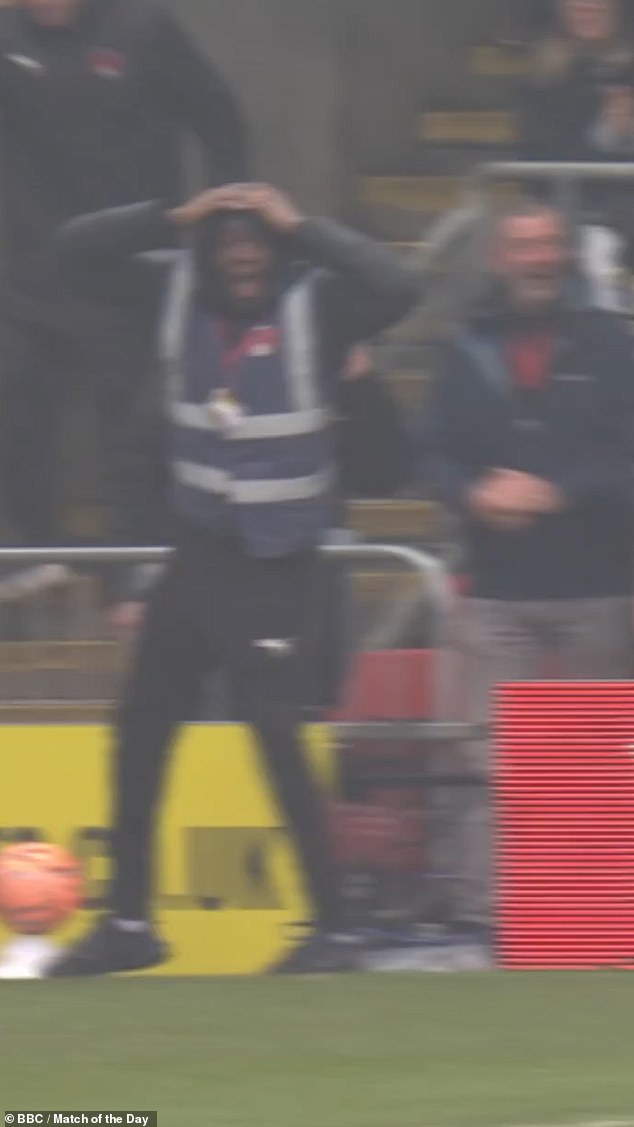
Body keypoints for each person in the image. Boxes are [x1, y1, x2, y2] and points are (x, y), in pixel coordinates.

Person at [46, 181, 419, 976]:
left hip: (277, 560)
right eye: (227, 240)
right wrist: (162, 215)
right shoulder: (170, 284)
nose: (243, 254)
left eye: (259, 240)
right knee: (140, 731)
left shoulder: (319, 303)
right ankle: (129, 919)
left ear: (278, 245)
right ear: (206, 247)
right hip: (197, 553)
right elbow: (72, 253)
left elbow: (399, 286)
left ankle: (333, 927)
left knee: (277, 736)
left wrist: (306, 224)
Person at [425, 198, 634, 944]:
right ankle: (485, 916)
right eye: (522, 245)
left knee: (598, 760)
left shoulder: (613, 344)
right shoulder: (466, 346)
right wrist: (473, 494)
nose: (537, 258)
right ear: (496, 257)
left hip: (598, 585)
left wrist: (556, 492)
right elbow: (437, 450)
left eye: (548, 243)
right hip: (496, 588)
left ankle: (598, 912)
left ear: (567, 253)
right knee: (489, 757)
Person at [0, 0, 248, 604]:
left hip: (128, 270)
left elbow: (221, 119)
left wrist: (223, 220)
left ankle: (131, 564)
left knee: (131, 428)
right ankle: (27, 552)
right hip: (32, 272)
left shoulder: (142, 28)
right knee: (16, 413)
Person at [518, 0, 634, 312]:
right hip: (577, 207)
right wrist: (608, 133)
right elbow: (537, 156)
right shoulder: (544, 77)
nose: (587, 6)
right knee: (596, 253)